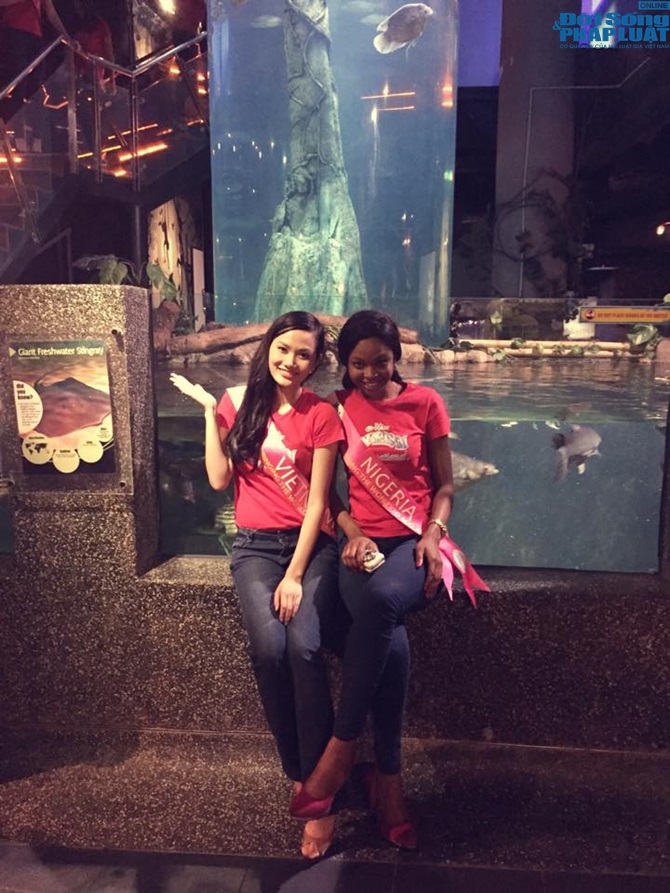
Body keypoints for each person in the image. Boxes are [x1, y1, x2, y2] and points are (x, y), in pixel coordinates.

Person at [290, 309, 488, 849]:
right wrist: (353, 535)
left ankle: (340, 752)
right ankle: (389, 782)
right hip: (362, 547)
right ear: (345, 364)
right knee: (388, 632)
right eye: (358, 364)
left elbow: (444, 486)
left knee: (381, 606)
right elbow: (327, 495)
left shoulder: (426, 403)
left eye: (380, 362)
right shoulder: (336, 408)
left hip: (414, 544)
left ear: (396, 357)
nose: (370, 373)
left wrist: (433, 534)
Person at [170, 311, 342, 860]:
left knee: (304, 647)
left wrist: (295, 574)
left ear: (315, 363)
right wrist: (209, 414)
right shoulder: (236, 402)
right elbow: (219, 479)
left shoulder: (321, 415)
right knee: (269, 649)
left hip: (310, 547)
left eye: (304, 354)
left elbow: (318, 504)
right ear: (268, 347)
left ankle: (320, 794)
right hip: (254, 548)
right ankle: (301, 773)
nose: (291, 361)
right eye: (284, 349)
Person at [0, 0, 74, 122]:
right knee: (18, 82)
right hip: (14, 31)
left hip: (35, 35)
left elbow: (51, 11)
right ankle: (8, 120)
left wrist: (67, 37)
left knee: (36, 80)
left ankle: (25, 122)